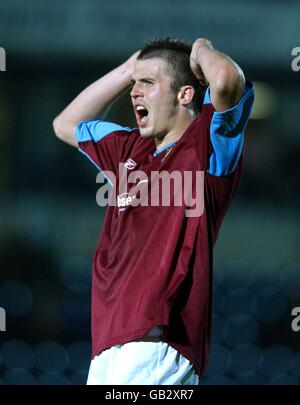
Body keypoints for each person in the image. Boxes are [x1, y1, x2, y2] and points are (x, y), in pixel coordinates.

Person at [53, 37, 254, 385]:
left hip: (158, 345)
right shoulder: (129, 148)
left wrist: (201, 48)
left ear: (185, 94)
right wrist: (129, 69)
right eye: (135, 84)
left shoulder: (207, 142)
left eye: (147, 83)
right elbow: (65, 124)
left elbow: (224, 79)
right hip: (107, 345)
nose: (134, 92)